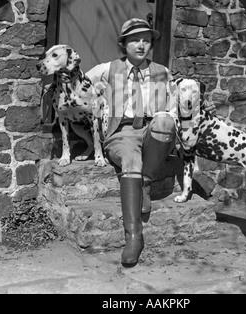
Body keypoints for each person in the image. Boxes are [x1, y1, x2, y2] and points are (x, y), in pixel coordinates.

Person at [86, 18, 214, 267]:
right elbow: (79, 85)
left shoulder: (161, 71)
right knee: (131, 158)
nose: (141, 45)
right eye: (134, 40)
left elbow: (179, 100)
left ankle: (144, 182)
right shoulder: (107, 69)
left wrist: (200, 105)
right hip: (121, 133)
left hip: (151, 130)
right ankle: (134, 237)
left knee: (165, 120)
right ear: (124, 44)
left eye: (146, 40)